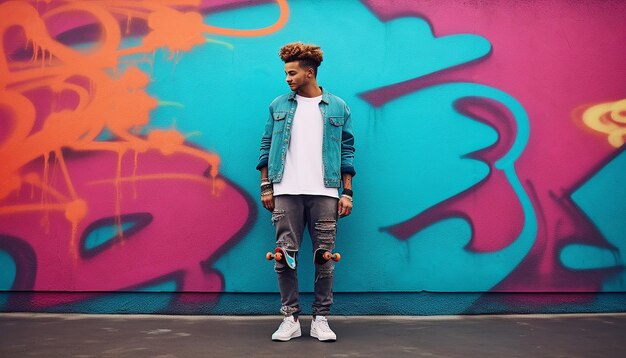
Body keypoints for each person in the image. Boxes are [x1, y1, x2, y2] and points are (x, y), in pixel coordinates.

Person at [256, 42, 355, 342]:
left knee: (324, 258)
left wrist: (347, 192)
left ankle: (321, 318)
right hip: (285, 189)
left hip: (325, 191)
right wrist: (265, 185)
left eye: (292, 73)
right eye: (286, 73)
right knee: (284, 257)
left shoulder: (338, 107)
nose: (287, 78)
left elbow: (347, 151)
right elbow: (265, 145)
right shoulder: (279, 106)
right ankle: (290, 318)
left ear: (309, 72)